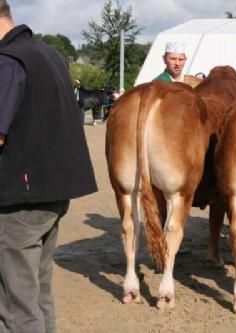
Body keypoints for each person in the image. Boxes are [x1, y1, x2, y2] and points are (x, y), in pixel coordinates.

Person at [0, 2, 98, 332]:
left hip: (18, 200)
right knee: (38, 294)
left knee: (15, 305)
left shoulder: (7, 61)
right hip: (51, 194)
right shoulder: (48, 54)